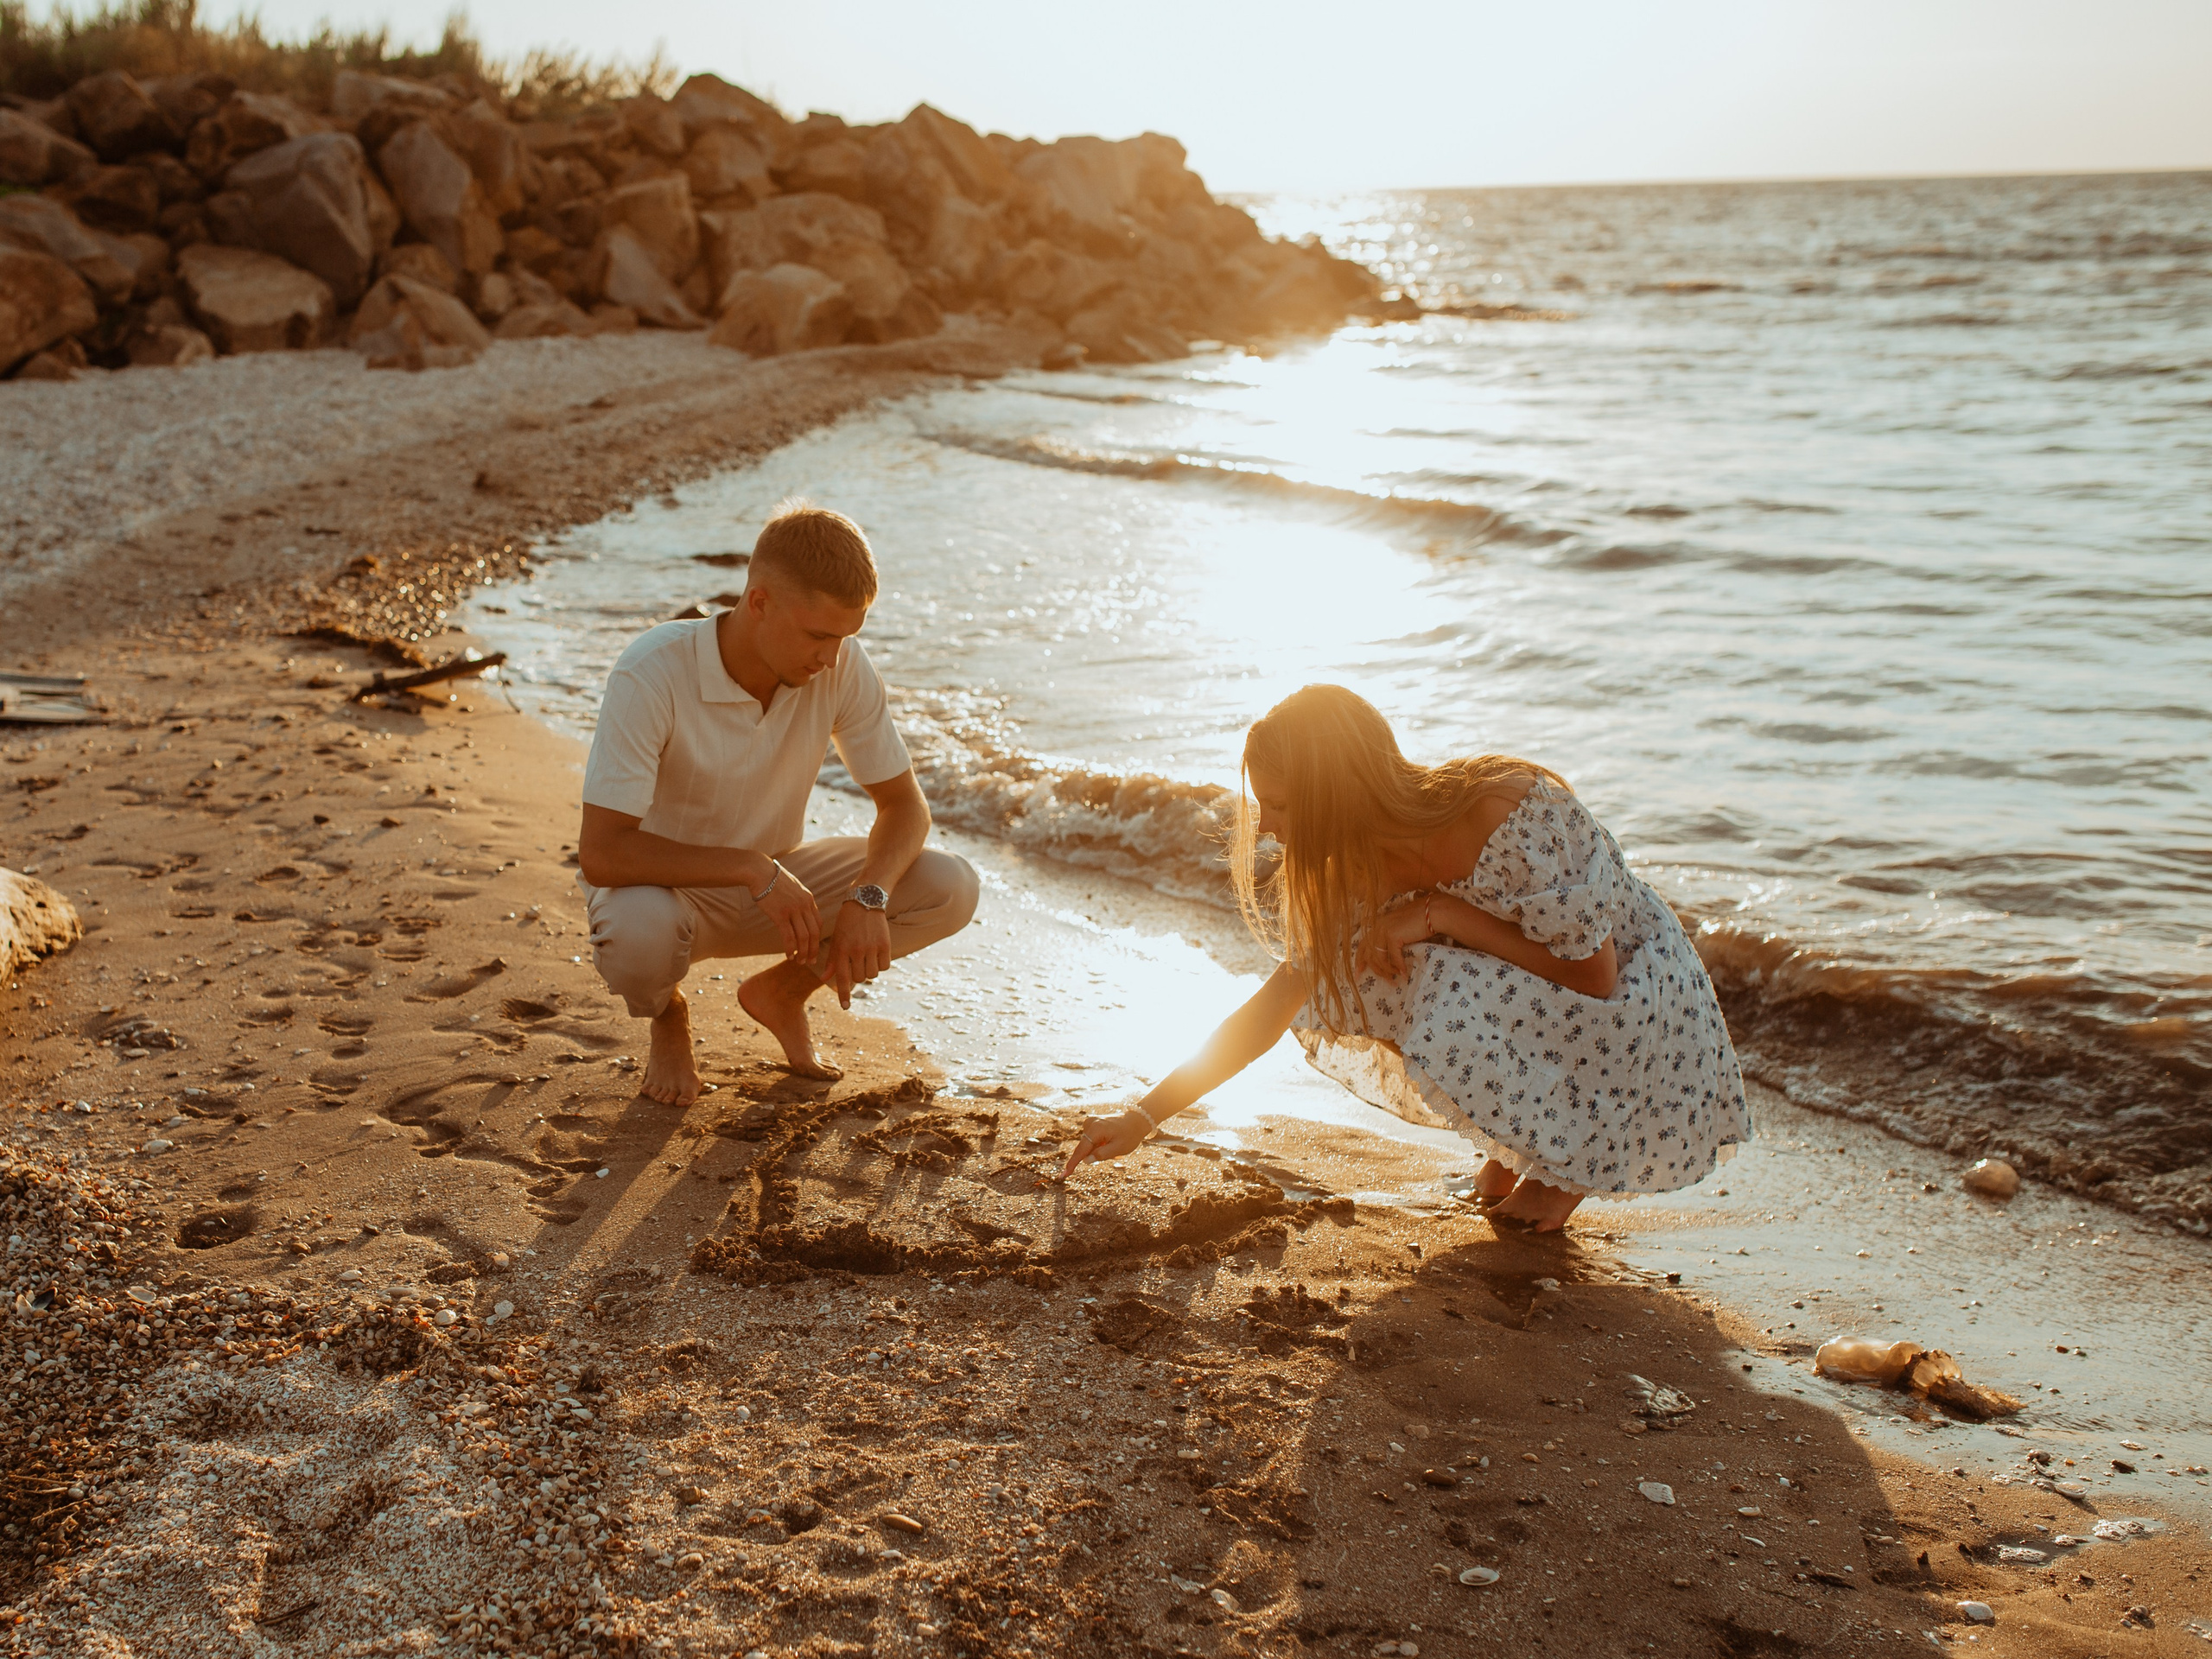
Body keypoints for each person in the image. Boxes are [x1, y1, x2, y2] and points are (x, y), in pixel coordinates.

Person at [1060, 684, 1751, 1231]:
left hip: (1647, 1019)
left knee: (1433, 968)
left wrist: (1439, 913)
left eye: (1278, 806)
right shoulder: (1360, 869)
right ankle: (1515, 1151)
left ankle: (1563, 1167)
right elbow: (1275, 1005)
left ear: (1334, 797)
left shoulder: (1505, 810)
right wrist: (1144, 1117)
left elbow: (1593, 977)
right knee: (1360, 971)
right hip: (1573, 1015)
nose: (1265, 827)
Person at [575, 499, 978, 1103]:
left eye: (847, 638)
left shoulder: (838, 665)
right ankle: (668, 1014)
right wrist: (749, 866)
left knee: (949, 886)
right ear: (759, 602)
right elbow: (603, 854)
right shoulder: (653, 672)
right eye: (818, 635)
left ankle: (784, 993)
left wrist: (870, 896)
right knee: (638, 938)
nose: (832, 658)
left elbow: (905, 806)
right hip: (665, 893)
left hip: (782, 895)